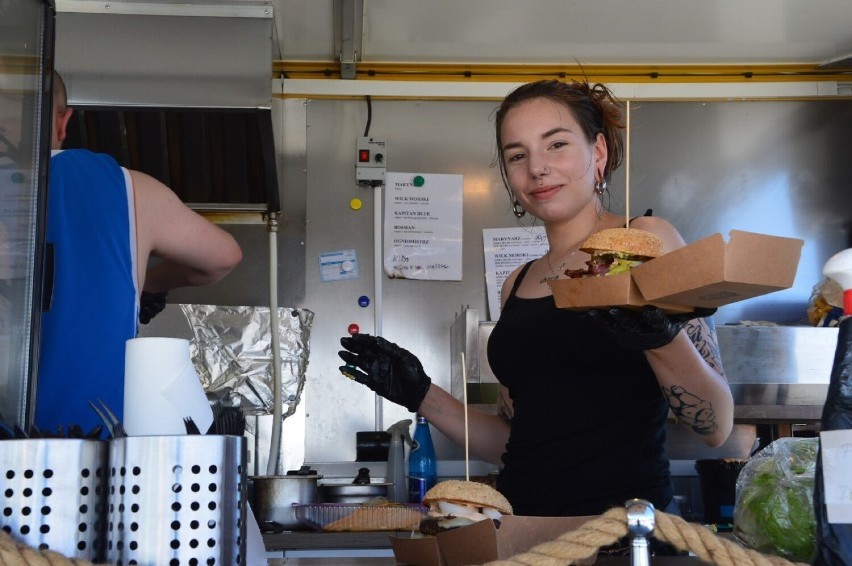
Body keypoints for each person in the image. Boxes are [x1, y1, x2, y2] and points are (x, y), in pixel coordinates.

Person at [339, 79, 733, 520]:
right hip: (523, 533)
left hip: (619, 537)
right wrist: (421, 394)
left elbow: (716, 426)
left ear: (597, 153)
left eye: (557, 145)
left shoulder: (644, 242)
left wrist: (661, 338)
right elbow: (516, 443)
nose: (537, 168)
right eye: (517, 155)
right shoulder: (517, 283)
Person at [33, 71, 243, 435]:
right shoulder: (127, 189)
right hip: (89, 456)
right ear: (63, 121)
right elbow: (224, 256)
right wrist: (148, 282)